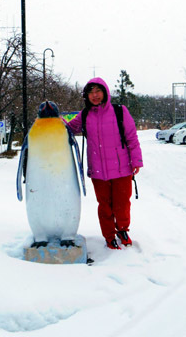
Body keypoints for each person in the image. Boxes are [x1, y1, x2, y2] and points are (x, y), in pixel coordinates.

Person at [66, 77, 143, 249]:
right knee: (105, 207)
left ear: (105, 92)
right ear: (87, 96)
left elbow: (132, 137)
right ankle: (109, 236)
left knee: (122, 204)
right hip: (98, 171)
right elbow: (69, 129)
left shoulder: (119, 111)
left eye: (98, 91)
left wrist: (136, 160)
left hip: (122, 169)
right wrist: (50, 121)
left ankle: (122, 229)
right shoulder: (84, 115)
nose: (95, 95)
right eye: (91, 92)